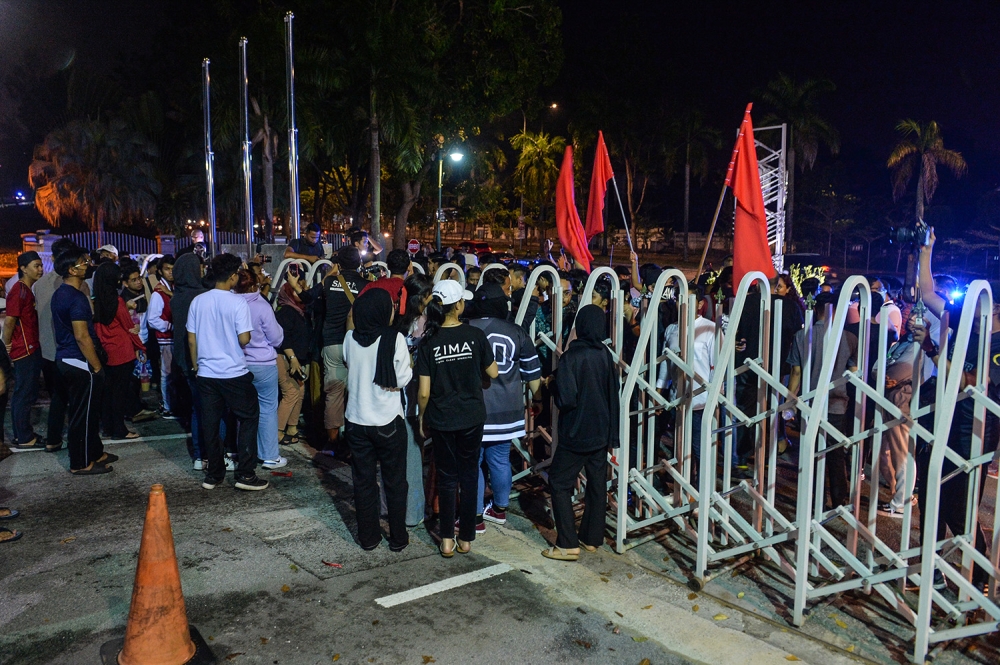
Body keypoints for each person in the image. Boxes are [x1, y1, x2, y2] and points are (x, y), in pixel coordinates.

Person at [416, 280, 498, 557]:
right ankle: (466, 538)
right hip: (472, 416)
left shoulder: (429, 341)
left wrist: (421, 418)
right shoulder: (475, 336)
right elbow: (494, 372)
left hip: (442, 418)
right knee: (469, 473)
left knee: (448, 478)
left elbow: (424, 391)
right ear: (459, 305)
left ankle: (447, 539)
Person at [542, 305, 620, 561]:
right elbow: (612, 396)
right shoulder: (605, 355)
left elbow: (566, 399)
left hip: (576, 433)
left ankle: (567, 543)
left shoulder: (571, 357)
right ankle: (591, 538)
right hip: (600, 431)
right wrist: (613, 435)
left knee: (560, 483)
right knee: (597, 485)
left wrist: (551, 384)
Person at [187, 254, 266, 491]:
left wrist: (196, 366)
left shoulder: (198, 301)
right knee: (249, 417)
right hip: (233, 371)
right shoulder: (238, 302)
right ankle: (246, 474)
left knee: (210, 423)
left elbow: (192, 340)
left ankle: (214, 475)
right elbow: (244, 338)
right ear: (232, 277)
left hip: (207, 373)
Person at [343, 289, 413, 551]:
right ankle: (397, 538)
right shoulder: (395, 338)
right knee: (395, 482)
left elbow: (351, 365)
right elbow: (403, 378)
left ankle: (369, 537)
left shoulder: (349, 338)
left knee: (363, 482)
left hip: (356, 420)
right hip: (387, 421)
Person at [469, 282, 541, 529]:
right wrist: (538, 401)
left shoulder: (465, 328)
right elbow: (532, 375)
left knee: (473, 462)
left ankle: (475, 516)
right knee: (500, 460)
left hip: (475, 409)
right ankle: (499, 509)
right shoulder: (516, 331)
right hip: (507, 410)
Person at [786, 292, 858, 509]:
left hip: (810, 402)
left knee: (811, 452)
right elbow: (854, 371)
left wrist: (789, 402)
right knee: (835, 453)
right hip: (838, 402)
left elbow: (796, 372)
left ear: (815, 309)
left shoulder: (802, 335)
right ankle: (839, 500)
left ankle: (814, 497)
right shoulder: (848, 338)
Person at [51, 248, 112, 475]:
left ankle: (95, 452)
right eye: (82, 262)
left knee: (88, 412)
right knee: (83, 416)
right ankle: (80, 462)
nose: (86, 264)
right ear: (71, 270)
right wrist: (96, 366)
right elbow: (81, 336)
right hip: (78, 361)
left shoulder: (61, 293)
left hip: (67, 359)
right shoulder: (76, 298)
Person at [234, 267, 286, 469]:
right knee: (267, 410)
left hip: (239, 364)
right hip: (263, 364)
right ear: (255, 284)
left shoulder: (230, 304)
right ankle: (270, 456)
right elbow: (276, 338)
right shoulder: (262, 306)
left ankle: (244, 453)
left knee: (242, 411)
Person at [33, 238, 81, 453]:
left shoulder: (39, 284)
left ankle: (53, 439)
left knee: (58, 398)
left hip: (48, 351)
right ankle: (77, 442)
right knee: (77, 399)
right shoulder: (75, 282)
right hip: (70, 349)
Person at [317, 245, 366, 453]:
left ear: (339, 264)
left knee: (334, 392)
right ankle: (356, 437)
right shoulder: (366, 285)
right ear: (359, 263)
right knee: (358, 391)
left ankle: (333, 441)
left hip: (332, 343)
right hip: (357, 344)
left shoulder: (328, 282)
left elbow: (315, 301)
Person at [396, 273, 434, 526]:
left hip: (399, 399)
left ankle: (405, 509)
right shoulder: (421, 324)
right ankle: (413, 513)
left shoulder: (397, 321)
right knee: (411, 457)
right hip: (412, 398)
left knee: (404, 457)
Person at [92, 262, 144, 441]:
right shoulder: (117, 301)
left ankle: (108, 427)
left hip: (105, 351)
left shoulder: (96, 301)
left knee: (107, 393)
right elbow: (128, 326)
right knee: (120, 394)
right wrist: (139, 345)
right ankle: (120, 429)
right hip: (122, 351)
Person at [170, 253, 209, 469]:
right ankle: (212, 452)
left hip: (184, 360)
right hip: (203, 359)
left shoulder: (177, 296)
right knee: (211, 409)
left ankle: (198, 455)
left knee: (196, 408)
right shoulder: (201, 296)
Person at [4, 251, 44, 451]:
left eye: (40, 265)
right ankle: (24, 437)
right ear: (23, 268)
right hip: (24, 349)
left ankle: (25, 433)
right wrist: (7, 344)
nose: (40, 269)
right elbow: (10, 320)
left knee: (28, 392)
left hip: (31, 347)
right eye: (36, 266)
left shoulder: (27, 290)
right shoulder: (18, 290)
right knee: (23, 393)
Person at [275, 270, 311, 446]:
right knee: (291, 392)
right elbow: (283, 338)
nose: (303, 291)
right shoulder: (287, 311)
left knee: (299, 391)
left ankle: (292, 428)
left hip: (294, 359)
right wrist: (293, 359)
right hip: (284, 358)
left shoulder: (299, 311)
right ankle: (277, 432)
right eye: (298, 289)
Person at [148, 254, 176, 418]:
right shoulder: (159, 292)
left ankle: (169, 404)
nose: (170, 272)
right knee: (167, 374)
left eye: (173, 269)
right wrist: (170, 326)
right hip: (166, 337)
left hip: (169, 337)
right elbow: (153, 320)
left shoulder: (171, 288)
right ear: (160, 271)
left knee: (170, 374)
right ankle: (167, 407)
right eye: (167, 269)